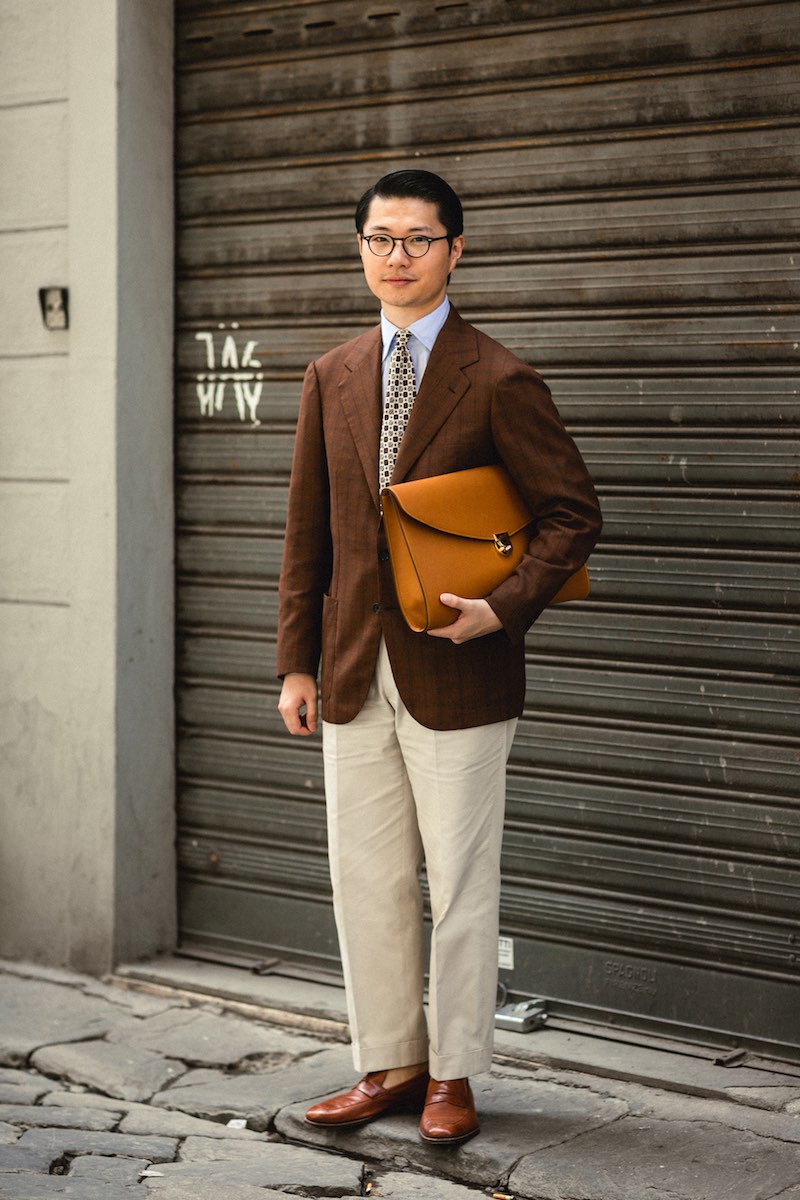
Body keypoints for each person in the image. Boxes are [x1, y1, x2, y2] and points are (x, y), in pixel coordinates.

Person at [277, 169, 601, 1145]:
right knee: (363, 879)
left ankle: (455, 1074)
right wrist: (296, 661)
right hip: (347, 672)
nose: (397, 258)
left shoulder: (498, 376)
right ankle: (388, 1064)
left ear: (455, 250)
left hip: (459, 671)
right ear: (359, 250)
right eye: (380, 239)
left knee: (461, 886)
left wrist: (498, 611)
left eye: (417, 240)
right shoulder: (330, 373)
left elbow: (569, 514)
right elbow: (308, 535)